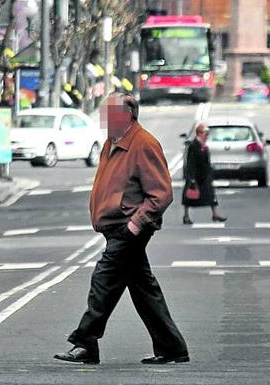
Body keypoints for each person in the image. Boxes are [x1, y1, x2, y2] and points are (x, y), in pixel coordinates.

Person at [54, 93, 189, 365]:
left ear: (127, 116)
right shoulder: (111, 143)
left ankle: (85, 341)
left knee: (103, 279)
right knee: (143, 289)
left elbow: (161, 194)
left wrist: (134, 226)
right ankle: (172, 347)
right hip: (115, 226)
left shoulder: (143, 144)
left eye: (109, 114)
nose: (104, 119)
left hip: (128, 228)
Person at [182, 122, 226, 225]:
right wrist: (191, 178)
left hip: (204, 175)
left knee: (210, 195)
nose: (207, 136)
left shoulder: (204, 146)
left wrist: (210, 172)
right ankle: (186, 216)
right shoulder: (194, 145)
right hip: (195, 175)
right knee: (189, 197)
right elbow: (191, 162)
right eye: (205, 134)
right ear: (199, 133)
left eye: (207, 134)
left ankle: (215, 214)